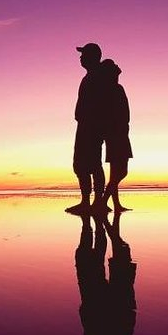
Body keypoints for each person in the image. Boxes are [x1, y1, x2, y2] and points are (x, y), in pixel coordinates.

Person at [66, 43, 106, 214]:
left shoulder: (97, 77)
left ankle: (95, 202)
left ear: (92, 56)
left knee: (90, 164)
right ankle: (88, 201)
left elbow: (101, 104)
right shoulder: (91, 77)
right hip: (85, 125)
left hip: (91, 127)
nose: (80, 58)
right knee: (83, 165)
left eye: (83, 55)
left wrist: (95, 124)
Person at [98, 59, 133, 212]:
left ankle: (116, 205)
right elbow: (120, 114)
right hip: (118, 134)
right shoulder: (115, 89)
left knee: (114, 174)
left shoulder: (108, 89)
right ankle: (103, 201)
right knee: (122, 172)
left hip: (115, 134)